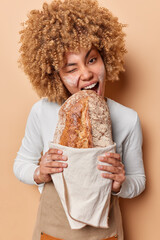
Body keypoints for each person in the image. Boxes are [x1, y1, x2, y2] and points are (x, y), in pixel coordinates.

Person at [13, 0, 146, 239]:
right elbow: (20, 164)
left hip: (105, 234)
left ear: (106, 58)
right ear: (57, 77)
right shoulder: (42, 112)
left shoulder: (127, 119)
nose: (86, 74)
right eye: (71, 68)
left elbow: (138, 182)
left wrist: (120, 184)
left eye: (92, 60)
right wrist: (39, 173)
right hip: (51, 232)